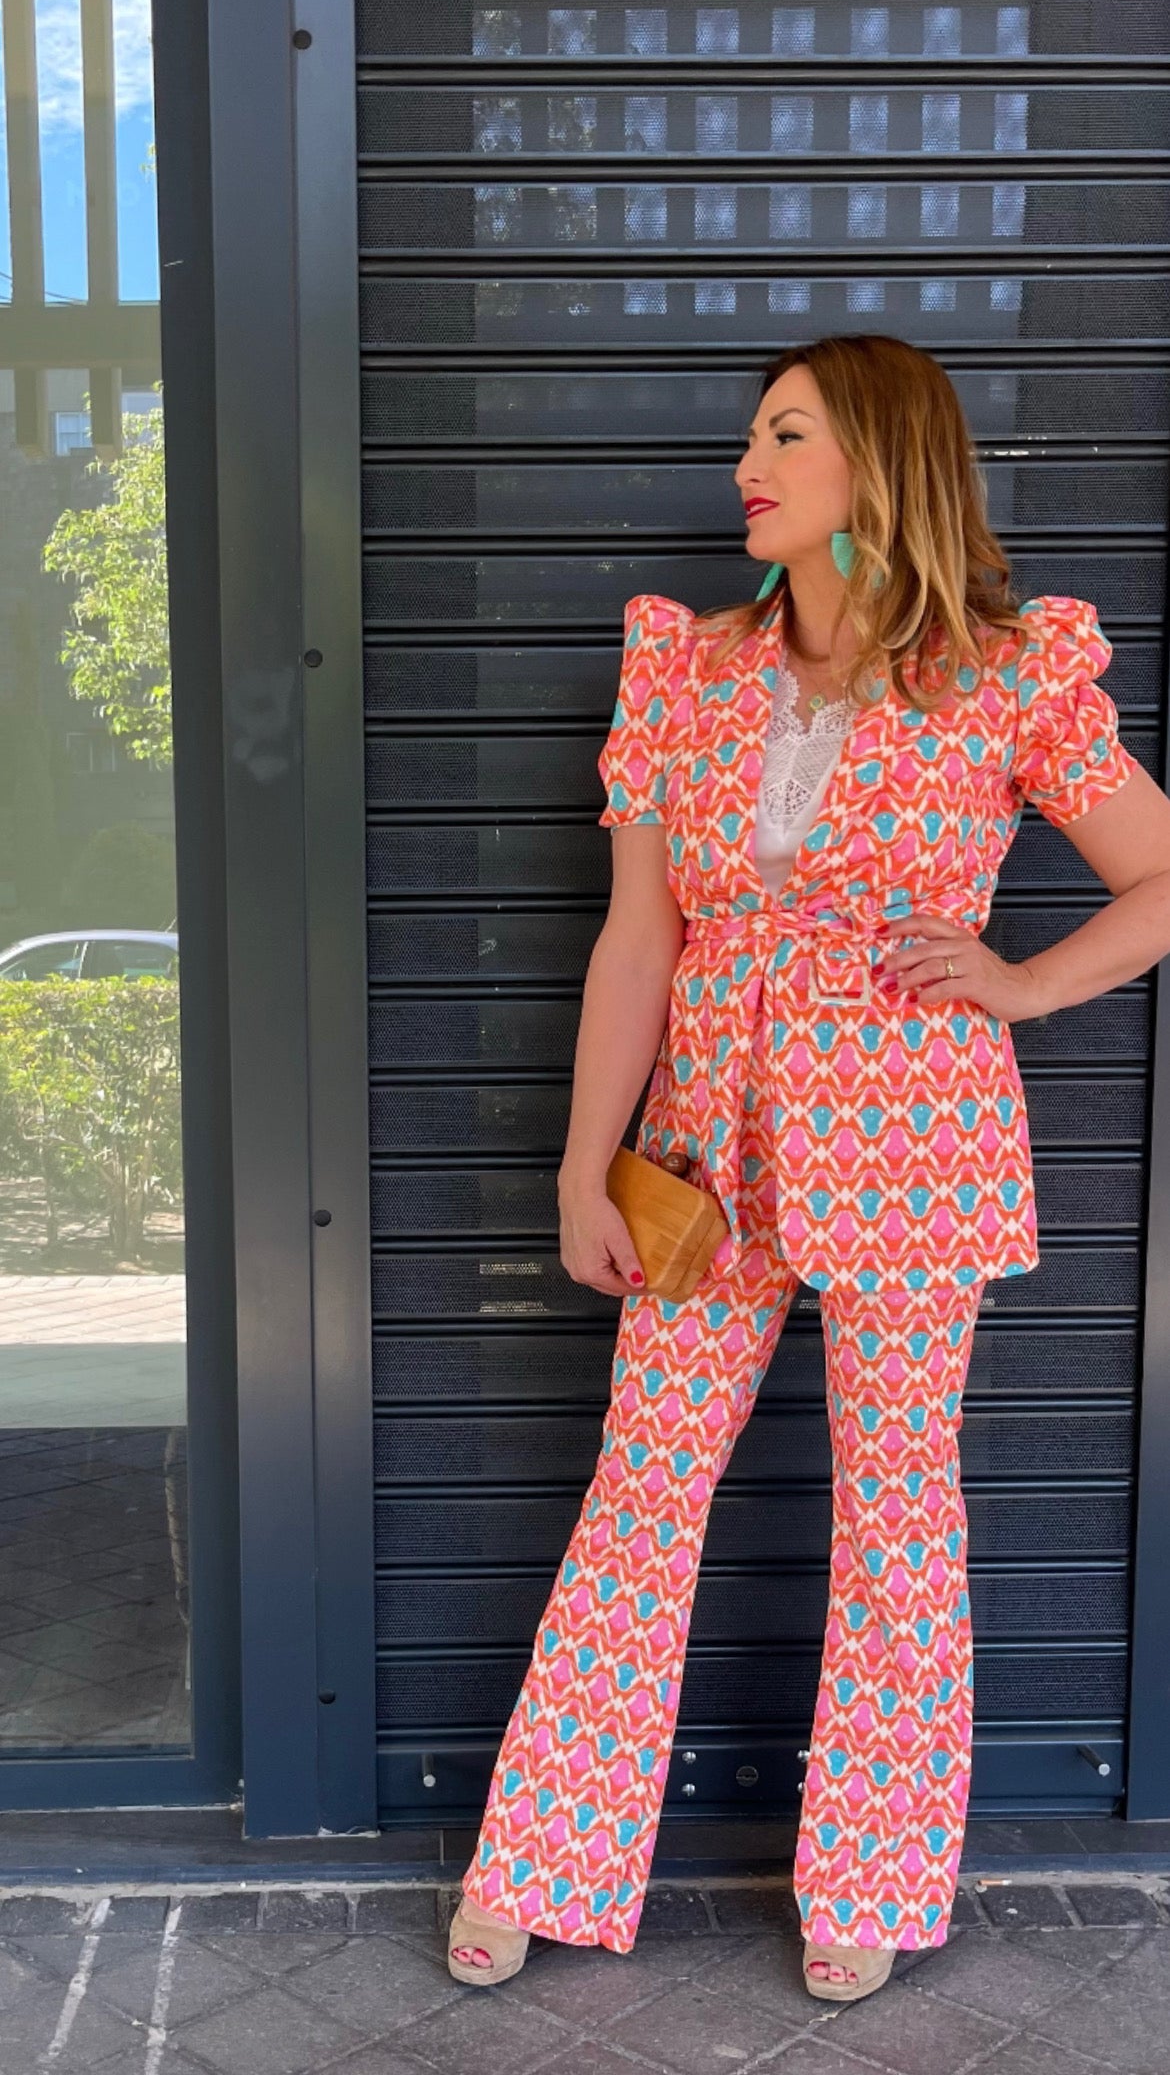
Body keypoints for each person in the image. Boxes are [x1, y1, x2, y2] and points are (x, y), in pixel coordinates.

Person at [448, 332, 1170, 2002]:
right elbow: (638, 941)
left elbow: (1156, 877)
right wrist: (583, 1168)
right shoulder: (686, 670)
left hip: (914, 1147)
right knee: (642, 1488)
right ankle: (541, 1855)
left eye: (783, 436)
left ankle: (875, 1871)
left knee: (897, 1504)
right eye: (751, 437)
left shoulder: (1005, 677)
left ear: (878, 463)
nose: (744, 468)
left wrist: (1019, 983)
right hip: (702, 1144)